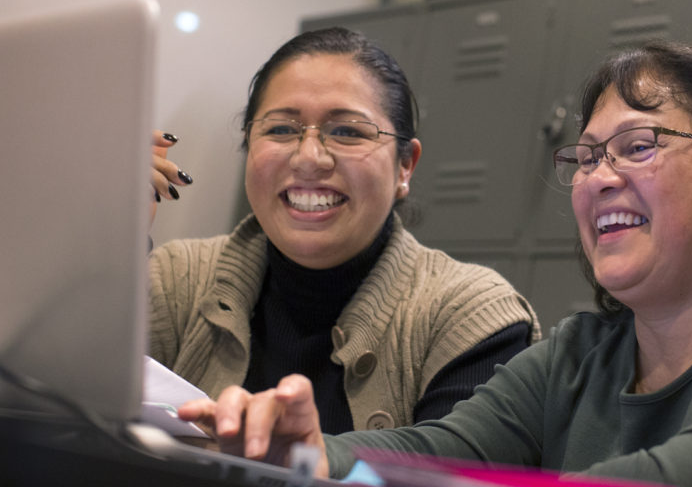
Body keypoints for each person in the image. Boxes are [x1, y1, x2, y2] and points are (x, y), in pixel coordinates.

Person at [178, 40, 692, 486]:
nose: (599, 176)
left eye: (639, 146)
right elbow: (437, 455)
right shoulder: (579, 354)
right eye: (589, 155)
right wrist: (308, 453)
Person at [147, 27, 541, 434]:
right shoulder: (176, 280)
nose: (309, 158)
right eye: (281, 129)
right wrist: (108, 236)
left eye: (348, 131)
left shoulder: (469, 317)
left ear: (405, 166)